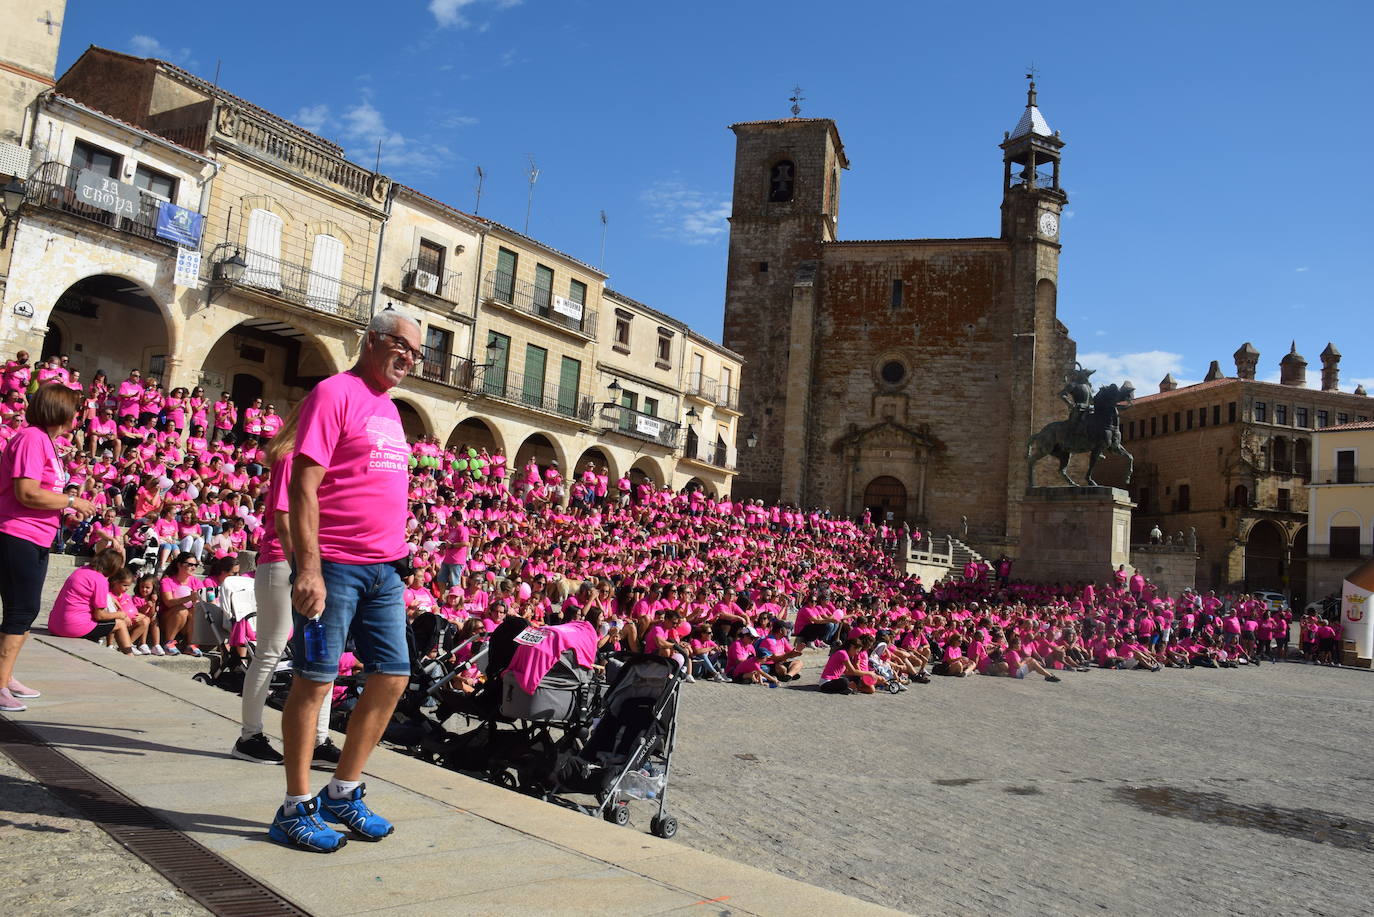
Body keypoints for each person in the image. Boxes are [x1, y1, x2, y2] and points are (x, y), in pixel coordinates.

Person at [269, 308, 420, 852]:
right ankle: (294, 806)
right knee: (315, 679)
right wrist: (307, 567)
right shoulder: (335, 393)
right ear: (373, 341)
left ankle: (343, 790)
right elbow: (304, 485)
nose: (410, 357)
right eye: (403, 345)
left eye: (418, 352)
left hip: (385, 569)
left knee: (393, 675)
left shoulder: (390, 410)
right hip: (334, 565)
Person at [233, 405, 337, 767]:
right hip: (284, 560)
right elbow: (283, 515)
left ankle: (320, 740)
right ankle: (250, 735)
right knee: (271, 650)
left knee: (322, 652)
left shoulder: (311, 460)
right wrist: (304, 564)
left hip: (307, 565)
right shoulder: (291, 458)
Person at [0, 384, 98, 711]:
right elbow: (27, 493)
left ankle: (4, 674)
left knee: (24, 611)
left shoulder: (48, 442)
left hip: (37, 535)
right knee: (21, 610)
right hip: (18, 534)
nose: (79, 416)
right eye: (75, 408)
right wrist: (71, 500)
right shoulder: (31, 438)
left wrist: (64, 509)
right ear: (59, 409)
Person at [47, 548, 142, 653]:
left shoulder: (81, 570)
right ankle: (129, 657)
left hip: (54, 624)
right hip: (71, 627)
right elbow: (100, 615)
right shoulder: (99, 579)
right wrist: (121, 615)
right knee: (120, 624)